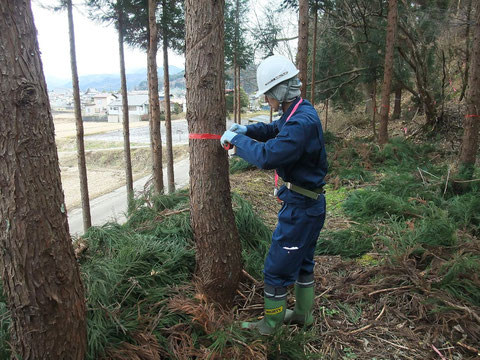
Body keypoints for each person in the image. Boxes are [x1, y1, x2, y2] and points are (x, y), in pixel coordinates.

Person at [220, 55, 328, 335]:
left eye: (268, 93)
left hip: (301, 209)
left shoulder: (300, 123)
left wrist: (238, 142)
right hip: (308, 203)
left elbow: (268, 155)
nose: (267, 99)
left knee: (276, 269)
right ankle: (303, 315)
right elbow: (273, 130)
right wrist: (247, 129)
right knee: (303, 261)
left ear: (280, 90)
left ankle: (270, 326)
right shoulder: (298, 112)